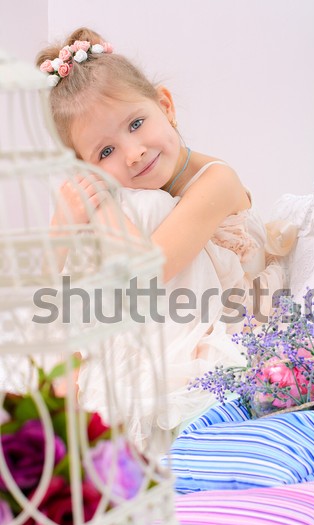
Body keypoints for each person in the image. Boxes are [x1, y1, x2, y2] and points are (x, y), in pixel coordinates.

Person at [36, 27, 297, 442]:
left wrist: (99, 204)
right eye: (105, 152)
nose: (133, 152)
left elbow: (149, 274)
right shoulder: (137, 198)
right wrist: (62, 224)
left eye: (136, 123)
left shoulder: (217, 180)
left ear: (166, 105)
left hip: (223, 318)